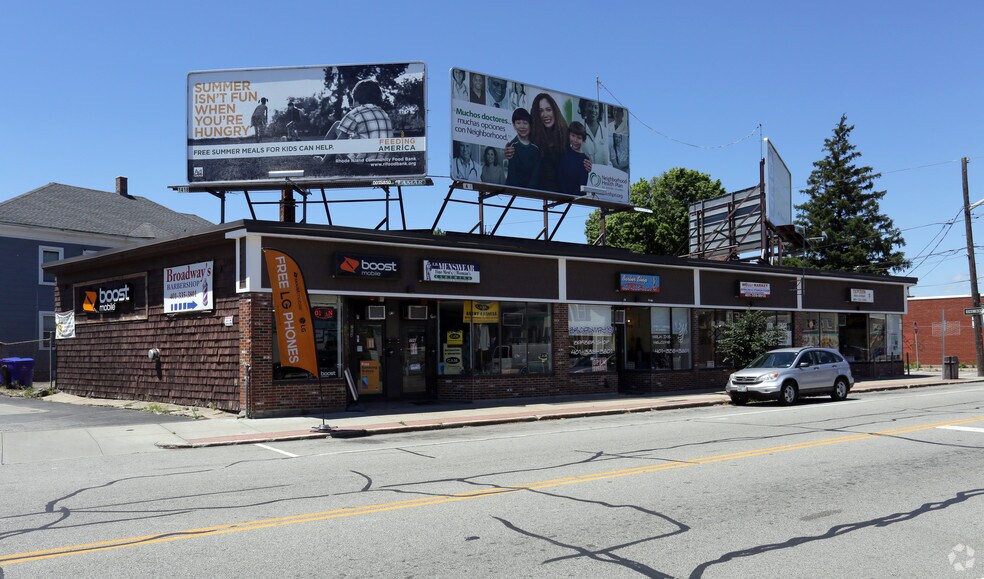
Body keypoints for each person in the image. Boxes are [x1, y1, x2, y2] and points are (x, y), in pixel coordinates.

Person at [318, 79, 392, 163]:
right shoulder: (383, 113)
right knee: (340, 126)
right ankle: (325, 155)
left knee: (337, 125)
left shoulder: (355, 113)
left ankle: (322, 156)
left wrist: (323, 162)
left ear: (356, 98)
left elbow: (339, 143)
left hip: (358, 162)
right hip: (382, 160)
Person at [504, 108, 540, 189]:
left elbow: (535, 175)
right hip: (513, 192)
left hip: (530, 193)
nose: (522, 126)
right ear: (514, 125)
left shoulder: (535, 148)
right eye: (518, 123)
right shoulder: (512, 146)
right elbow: (512, 175)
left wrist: (529, 191)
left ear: (530, 124)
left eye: (525, 123)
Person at [558, 122, 590, 196]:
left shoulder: (585, 159)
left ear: (583, 140)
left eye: (579, 138)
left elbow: (582, 183)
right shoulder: (564, 152)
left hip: (576, 198)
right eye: (573, 136)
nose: (575, 140)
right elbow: (559, 174)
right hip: (561, 195)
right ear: (569, 135)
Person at [577, 98, 609, 165]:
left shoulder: (605, 131)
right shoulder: (578, 128)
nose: (593, 110)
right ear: (584, 108)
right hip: (583, 173)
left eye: (596, 107)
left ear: (599, 110)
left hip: (602, 174)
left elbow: (608, 160)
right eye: (590, 106)